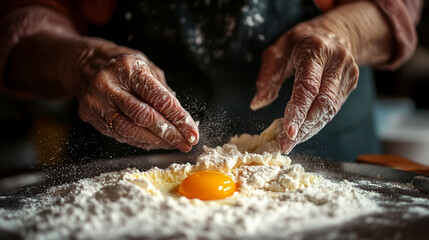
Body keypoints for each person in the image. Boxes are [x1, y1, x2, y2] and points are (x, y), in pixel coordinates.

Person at [0, 0, 423, 162]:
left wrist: (344, 32)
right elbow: (20, 21)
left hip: (327, 149)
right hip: (125, 160)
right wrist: (80, 61)